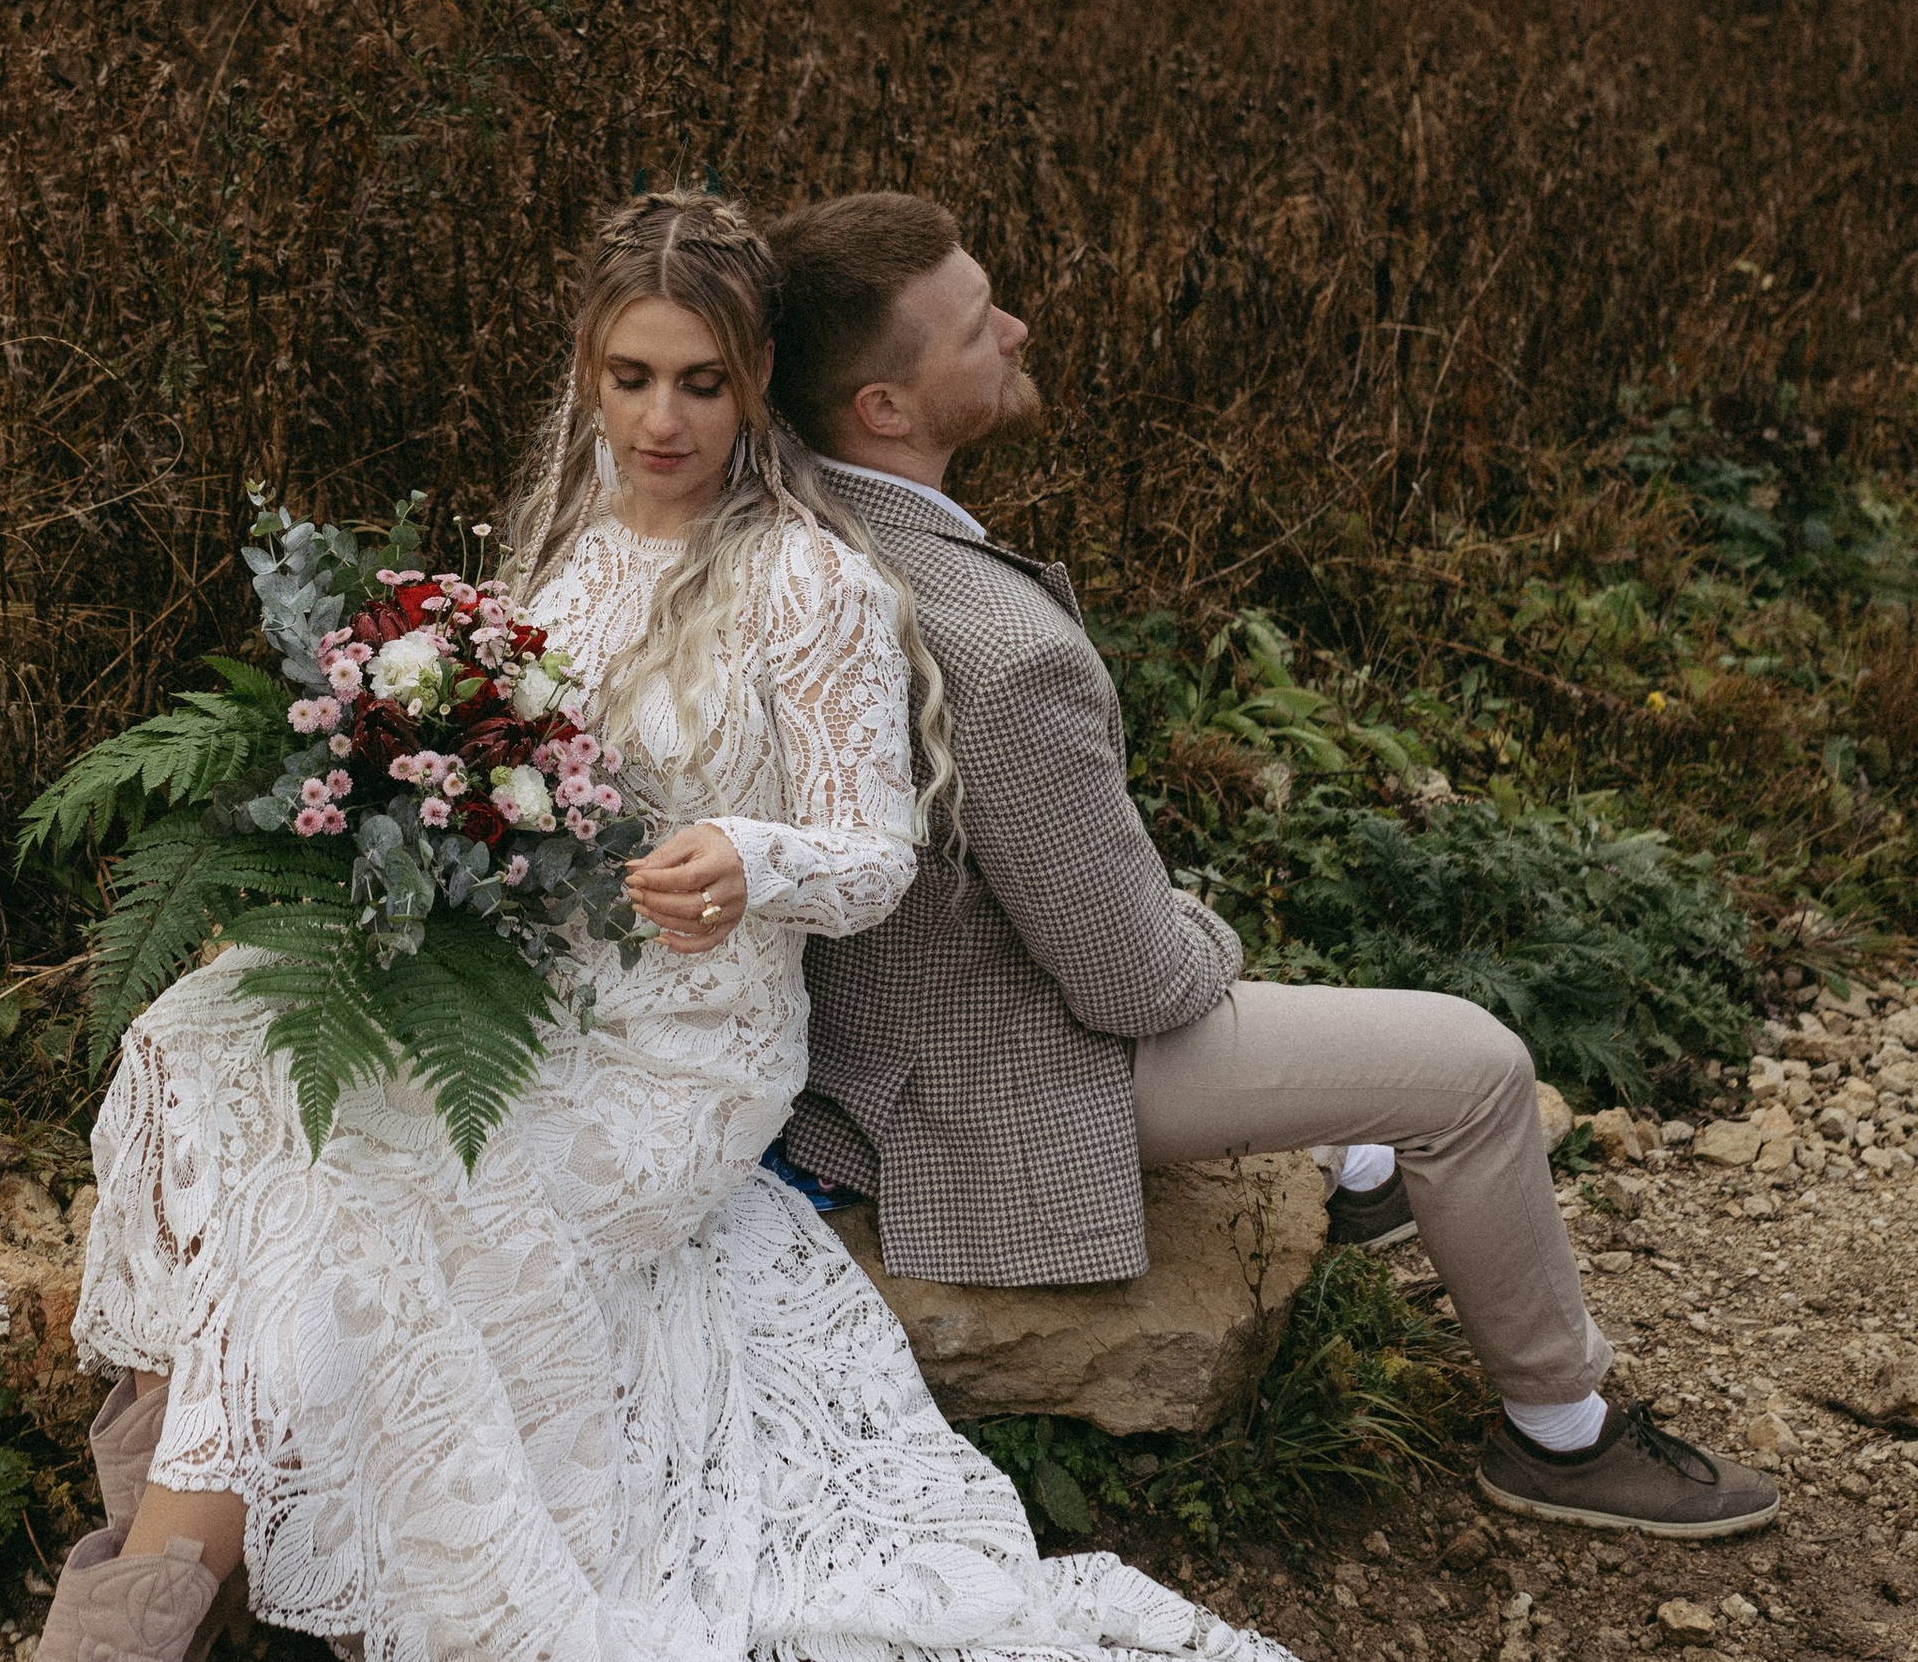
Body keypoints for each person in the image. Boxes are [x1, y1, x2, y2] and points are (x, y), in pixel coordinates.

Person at [0, 192, 1467, 1662]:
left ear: (757, 380)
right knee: (219, 1054)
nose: (659, 421)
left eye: (701, 384)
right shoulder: (561, 551)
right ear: (587, 372)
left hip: (682, 1059)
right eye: (628, 376)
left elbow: (879, 856)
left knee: (340, 1196)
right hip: (535, 1004)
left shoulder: (811, 587)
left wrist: (753, 860)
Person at [762, 188, 1779, 1546]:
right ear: (884, 408)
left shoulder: (781, 522)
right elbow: (1134, 984)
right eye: (972, 325)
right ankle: (1566, 1436)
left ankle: (1356, 1171)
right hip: (976, 1085)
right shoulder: (1000, 651)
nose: (1016, 327)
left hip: (864, 1031)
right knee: (1474, 1068)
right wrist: (1198, 927)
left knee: (1243, 991)